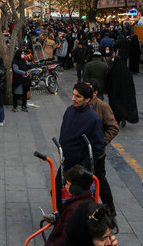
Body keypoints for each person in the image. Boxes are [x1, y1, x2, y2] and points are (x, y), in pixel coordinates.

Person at [57, 82, 104, 211]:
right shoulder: (70, 110)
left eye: (78, 96)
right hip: (65, 161)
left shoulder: (93, 119)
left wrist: (84, 166)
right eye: (73, 95)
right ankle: (60, 216)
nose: (73, 99)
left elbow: (98, 146)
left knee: (74, 198)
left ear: (87, 99)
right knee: (57, 191)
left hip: (79, 168)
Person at [86, 78, 119, 216]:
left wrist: (102, 141)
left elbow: (113, 127)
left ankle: (109, 207)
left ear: (95, 92)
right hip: (83, 151)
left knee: (100, 179)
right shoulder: (81, 105)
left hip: (98, 152)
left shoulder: (102, 107)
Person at [45, 165, 95, 246]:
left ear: (76, 188)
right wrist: (57, 219)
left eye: (68, 184)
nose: (65, 187)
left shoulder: (73, 209)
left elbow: (65, 239)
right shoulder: (90, 200)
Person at [105, 57, 138, 127]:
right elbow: (131, 82)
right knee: (123, 106)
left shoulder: (112, 70)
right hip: (125, 93)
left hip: (114, 93)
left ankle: (117, 119)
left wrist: (107, 91)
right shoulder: (126, 70)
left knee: (115, 107)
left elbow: (109, 82)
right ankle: (123, 117)